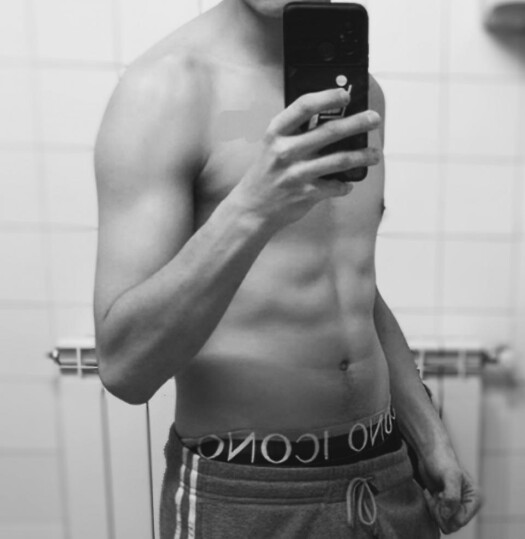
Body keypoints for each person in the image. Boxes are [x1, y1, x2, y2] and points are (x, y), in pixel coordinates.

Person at [92, 0, 482, 537]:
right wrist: (252, 208)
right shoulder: (166, 89)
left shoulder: (359, 93)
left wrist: (427, 432)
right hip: (249, 492)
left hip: (387, 476)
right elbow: (124, 368)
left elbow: (350, 283)